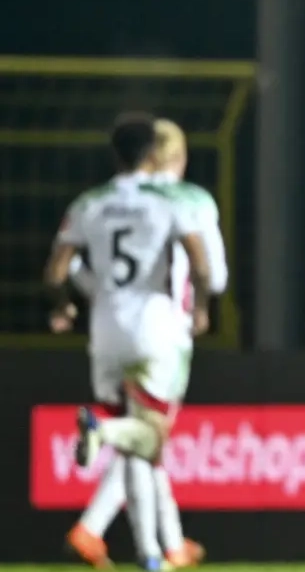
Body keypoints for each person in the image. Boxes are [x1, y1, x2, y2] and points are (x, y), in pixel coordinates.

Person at [48, 112, 211, 572]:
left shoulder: (90, 203)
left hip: (106, 330)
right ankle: (102, 434)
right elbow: (200, 264)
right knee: (146, 434)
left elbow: (56, 271)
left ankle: (150, 553)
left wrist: (62, 307)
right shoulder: (169, 201)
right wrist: (201, 308)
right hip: (154, 328)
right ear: (152, 153)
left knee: (138, 445)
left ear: (114, 154)